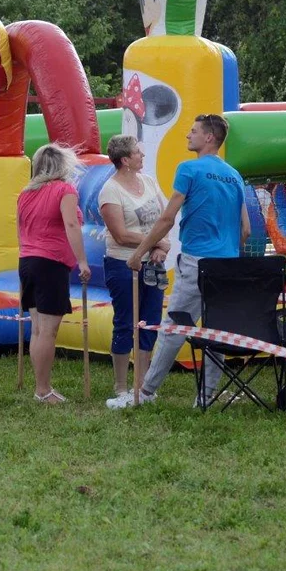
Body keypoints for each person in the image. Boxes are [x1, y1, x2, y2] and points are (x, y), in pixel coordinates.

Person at [112, 113, 250, 409]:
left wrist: (138, 254)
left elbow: (166, 219)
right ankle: (207, 397)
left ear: (209, 137)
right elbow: (246, 230)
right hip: (228, 265)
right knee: (216, 330)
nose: (188, 135)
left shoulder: (189, 169)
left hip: (198, 261)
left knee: (175, 325)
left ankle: (144, 393)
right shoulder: (235, 175)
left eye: (193, 131)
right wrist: (225, 247)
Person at [98, 135, 169, 409]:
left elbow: (162, 222)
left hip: (154, 263)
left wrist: (160, 249)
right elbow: (120, 234)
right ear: (125, 160)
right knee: (126, 322)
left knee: (150, 321)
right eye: (137, 153)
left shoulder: (149, 182)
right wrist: (155, 242)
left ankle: (142, 384)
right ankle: (120, 385)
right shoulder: (110, 191)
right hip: (122, 264)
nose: (142, 156)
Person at [17, 144, 92, 404]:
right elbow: (71, 224)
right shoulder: (64, 190)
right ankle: (43, 389)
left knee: (37, 329)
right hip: (51, 263)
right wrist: (82, 261)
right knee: (47, 331)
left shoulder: (25, 193)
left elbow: (20, 228)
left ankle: (41, 386)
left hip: (28, 261)